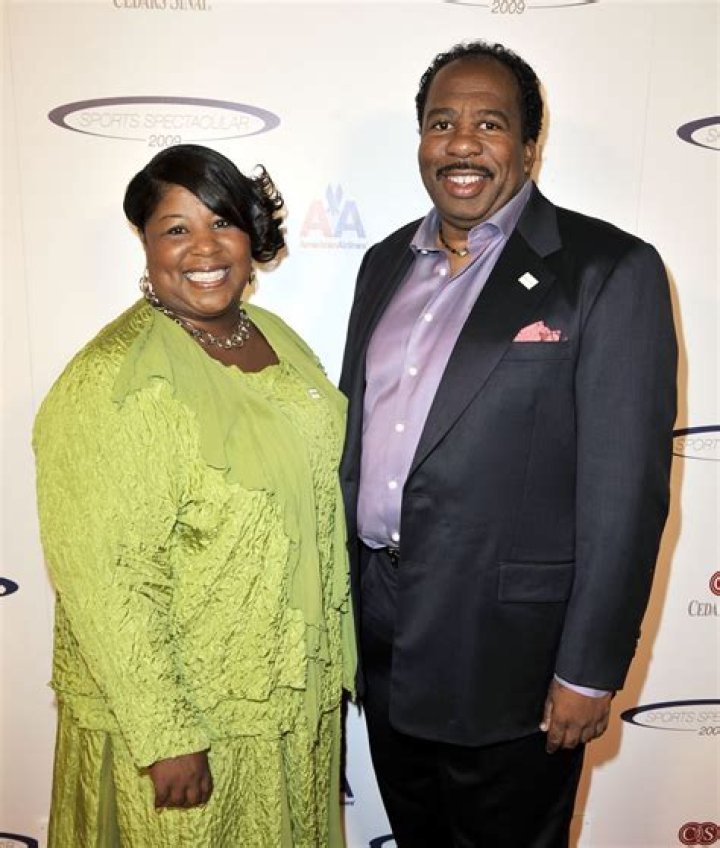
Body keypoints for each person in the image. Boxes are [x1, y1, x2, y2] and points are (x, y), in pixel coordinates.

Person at [339, 40, 677, 847]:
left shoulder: (608, 269)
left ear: (529, 145)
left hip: (514, 661)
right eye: (441, 123)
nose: (461, 144)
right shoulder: (384, 262)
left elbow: (624, 494)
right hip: (384, 636)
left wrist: (588, 668)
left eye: (488, 124)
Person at [33, 143, 355, 847]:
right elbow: (105, 577)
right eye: (176, 229)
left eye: (222, 222)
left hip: (287, 703)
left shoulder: (274, 338)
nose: (204, 248)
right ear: (146, 243)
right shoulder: (113, 379)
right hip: (192, 723)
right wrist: (166, 735)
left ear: (250, 235)